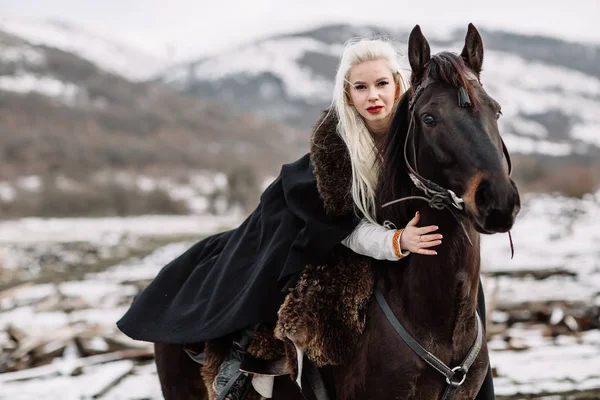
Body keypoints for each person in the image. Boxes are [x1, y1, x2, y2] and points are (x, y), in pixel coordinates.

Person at [117, 38, 494, 400]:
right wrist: (395, 243)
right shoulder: (338, 145)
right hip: (310, 223)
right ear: (348, 94)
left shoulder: (421, 127)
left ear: (399, 84)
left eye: (381, 83)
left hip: (389, 229)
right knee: (299, 280)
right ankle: (247, 362)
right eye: (360, 87)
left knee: (460, 285)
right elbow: (340, 226)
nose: (373, 96)